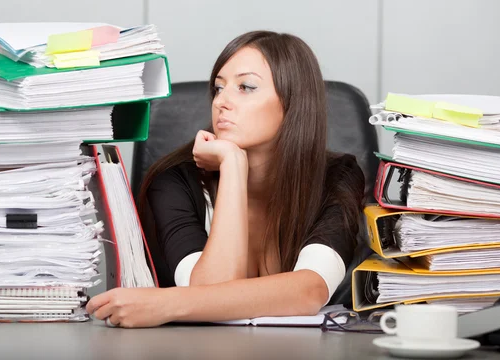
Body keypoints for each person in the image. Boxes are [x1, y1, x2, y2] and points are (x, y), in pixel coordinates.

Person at [86, 31, 365, 328]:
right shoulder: (173, 182)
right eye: (219, 88)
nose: (222, 101)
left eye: (246, 87)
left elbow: (310, 291)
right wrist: (232, 165)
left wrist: (165, 303)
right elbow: (210, 290)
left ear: (293, 103)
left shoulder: (336, 177)